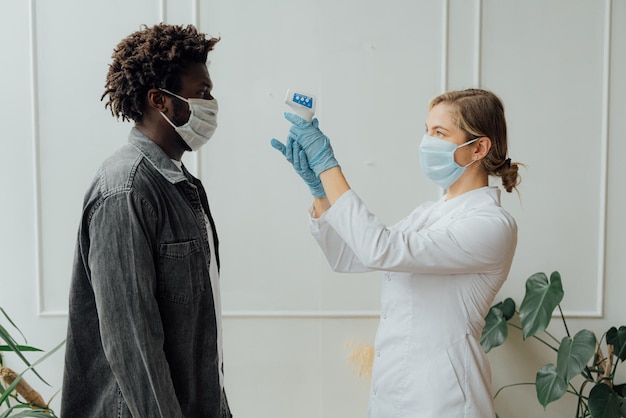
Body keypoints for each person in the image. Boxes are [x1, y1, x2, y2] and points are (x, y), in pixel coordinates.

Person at [271, 88, 520, 417]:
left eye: (440, 133)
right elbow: (350, 256)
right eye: (427, 130)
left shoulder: (492, 225)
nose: (427, 141)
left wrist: (327, 166)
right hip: (392, 392)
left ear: (479, 147)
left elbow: (379, 250)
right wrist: (320, 193)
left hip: (445, 401)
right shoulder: (427, 214)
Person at [62, 23, 232, 418]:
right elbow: (132, 344)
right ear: (160, 100)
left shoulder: (181, 186)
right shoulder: (125, 192)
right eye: (202, 92)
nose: (212, 104)